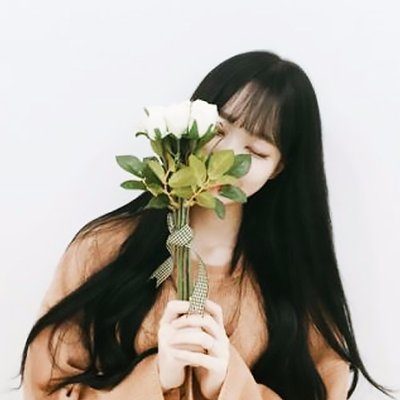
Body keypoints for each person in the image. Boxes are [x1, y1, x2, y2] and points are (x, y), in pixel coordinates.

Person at [15, 50, 396, 400]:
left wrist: (230, 384)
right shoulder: (102, 249)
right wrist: (154, 379)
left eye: (256, 151)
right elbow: (43, 390)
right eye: (217, 131)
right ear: (188, 125)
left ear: (278, 168)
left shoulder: (297, 281)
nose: (226, 157)